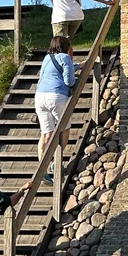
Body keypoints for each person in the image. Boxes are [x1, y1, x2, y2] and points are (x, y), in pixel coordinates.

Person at [35, 36, 77, 185]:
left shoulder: (46, 58)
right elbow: (69, 81)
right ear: (66, 46)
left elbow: (51, 72)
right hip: (57, 95)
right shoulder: (65, 57)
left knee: (46, 134)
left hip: (40, 97)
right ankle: (55, 161)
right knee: (64, 128)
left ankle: (43, 171)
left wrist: (77, 65)